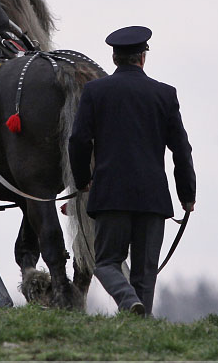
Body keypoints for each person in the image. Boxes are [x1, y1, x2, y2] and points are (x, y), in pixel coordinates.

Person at [68, 25, 196, 316]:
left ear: (115, 59)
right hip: (153, 199)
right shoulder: (165, 94)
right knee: (145, 272)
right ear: (143, 58)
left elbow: (78, 140)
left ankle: (128, 302)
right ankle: (140, 320)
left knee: (106, 263)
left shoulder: (95, 91)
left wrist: (82, 179)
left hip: (111, 195)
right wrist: (187, 194)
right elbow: (181, 149)